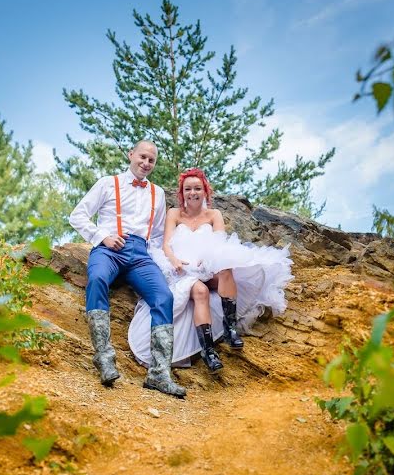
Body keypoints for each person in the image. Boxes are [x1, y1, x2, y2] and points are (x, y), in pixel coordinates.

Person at [127, 167, 293, 372]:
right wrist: (175, 260)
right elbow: (166, 244)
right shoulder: (174, 214)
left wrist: (208, 261)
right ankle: (208, 351)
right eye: (188, 189)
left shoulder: (214, 214)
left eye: (197, 188)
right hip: (183, 269)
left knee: (226, 268)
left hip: (206, 265)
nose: (193, 193)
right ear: (182, 193)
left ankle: (230, 328)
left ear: (205, 191)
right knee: (200, 291)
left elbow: (220, 244)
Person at [68, 140, 186, 398]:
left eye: (151, 160)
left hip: (140, 254)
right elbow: (77, 215)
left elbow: (156, 236)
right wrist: (102, 236)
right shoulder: (107, 183)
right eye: (142, 157)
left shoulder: (158, 193)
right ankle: (104, 357)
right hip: (109, 249)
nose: (145, 163)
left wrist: (161, 263)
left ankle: (159, 374)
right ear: (131, 155)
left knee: (163, 296)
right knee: (97, 278)